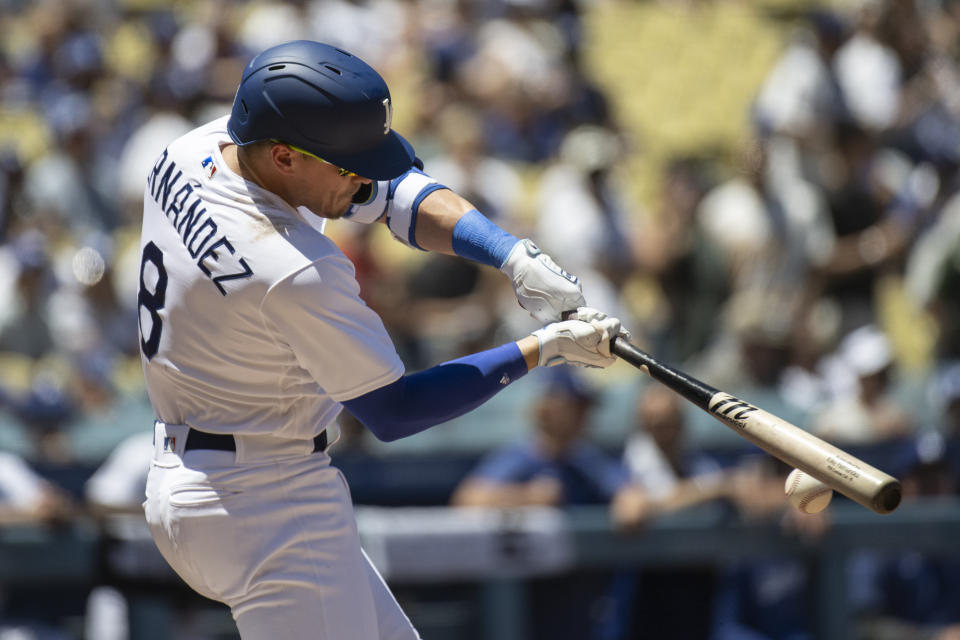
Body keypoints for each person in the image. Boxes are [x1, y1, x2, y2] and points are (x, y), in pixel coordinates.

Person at [139, 40, 623, 640]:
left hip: (201, 478)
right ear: (286, 158)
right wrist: (542, 349)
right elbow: (393, 410)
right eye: (348, 165)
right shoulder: (291, 269)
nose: (364, 176)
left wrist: (509, 253)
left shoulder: (194, 149)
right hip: (266, 502)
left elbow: (391, 192)